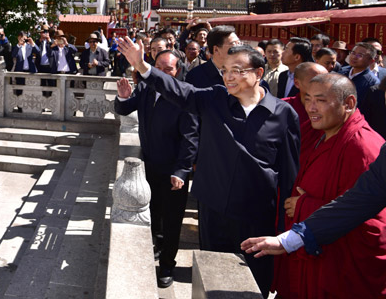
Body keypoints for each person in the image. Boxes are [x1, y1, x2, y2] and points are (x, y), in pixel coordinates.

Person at [116, 37, 300, 295]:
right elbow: (179, 91)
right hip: (214, 207)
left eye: (237, 70)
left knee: (253, 280)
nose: (229, 77)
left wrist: (285, 225)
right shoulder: (215, 99)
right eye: (225, 70)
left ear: (259, 73)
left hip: (256, 212)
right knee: (213, 276)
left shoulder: (283, 114)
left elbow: (289, 172)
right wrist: (142, 66)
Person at [245, 74, 386, 299]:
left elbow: (370, 219)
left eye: (320, 100)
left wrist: (306, 206)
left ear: (348, 104)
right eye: (307, 99)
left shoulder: (363, 146)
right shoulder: (322, 133)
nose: (311, 108)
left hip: (338, 269)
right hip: (310, 248)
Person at [115, 51, 199, 288]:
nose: (162, 72)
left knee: (172, 220)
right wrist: (123, 97)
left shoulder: (186, 95)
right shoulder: (145, 88)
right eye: (159, 67)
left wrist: (181, 171)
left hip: (174, 171)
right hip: (148, 165)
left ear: (178, 71)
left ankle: (167, 265)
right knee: (152, 214)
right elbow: (124, 109)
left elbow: (191, 139)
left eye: (168, 68)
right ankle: (156, 246)